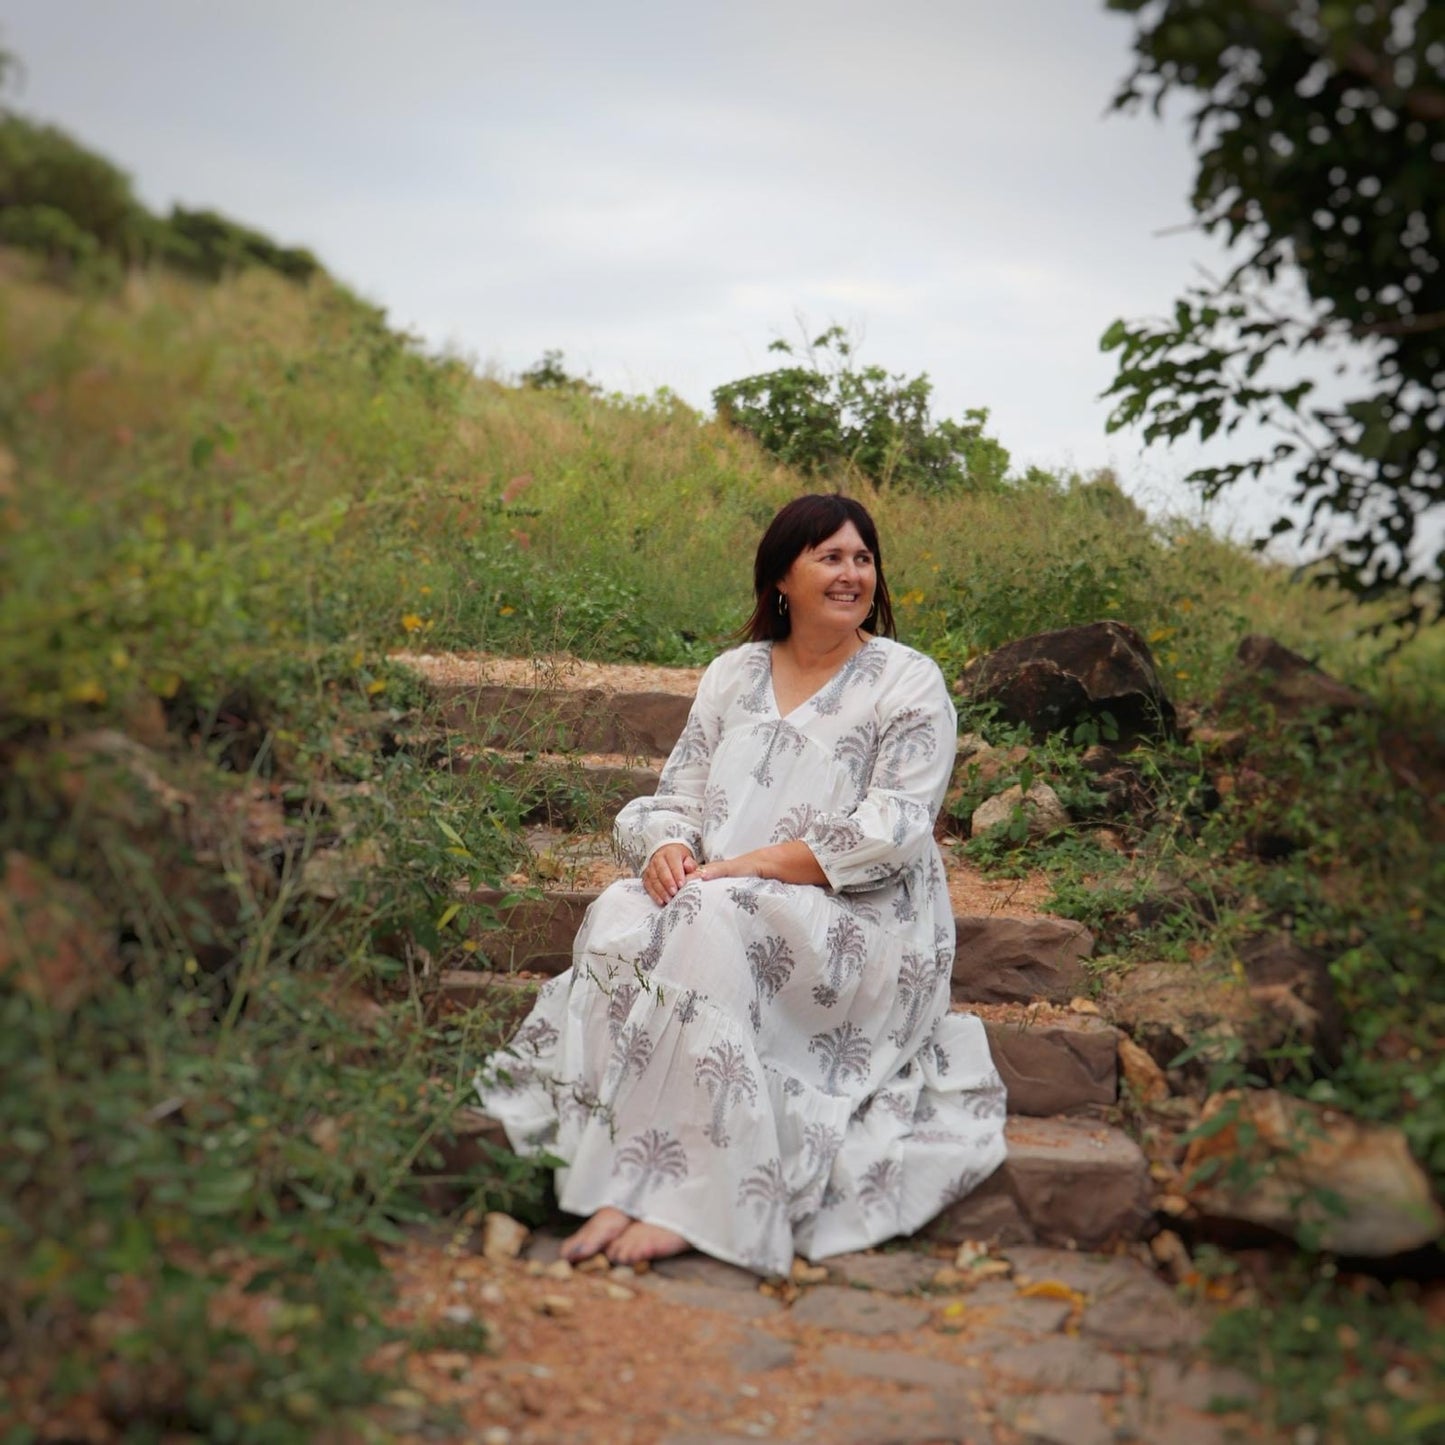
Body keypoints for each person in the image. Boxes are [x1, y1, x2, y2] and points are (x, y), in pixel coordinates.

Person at [475, 493, 1007, 1274]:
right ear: (781, 578)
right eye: (830, 556)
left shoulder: (905, 680)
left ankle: (685, 1193)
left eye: (862, 558)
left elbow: (895, 827)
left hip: (852, 919)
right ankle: (628, 1172)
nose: (851, 573)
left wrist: (749, 864)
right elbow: (678, 795)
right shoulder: (733, 675)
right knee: (627, 906)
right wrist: (662, 846)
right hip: (720, 895)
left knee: (708, 913)